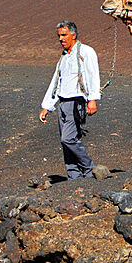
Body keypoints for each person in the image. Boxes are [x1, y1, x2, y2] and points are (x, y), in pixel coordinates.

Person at [39, 21, 101, 180]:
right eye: (59, 36)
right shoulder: (64, 57)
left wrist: (92, 99)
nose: (60, 39)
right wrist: (47, 106)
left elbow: (93, 75)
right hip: (63, 103)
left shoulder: (86, 52)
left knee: (68, 138)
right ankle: (74, 176)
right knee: (65, 142)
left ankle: (88, 168)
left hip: (77, 102)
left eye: (64, 35)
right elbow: (56, 82)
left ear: (73, 35)